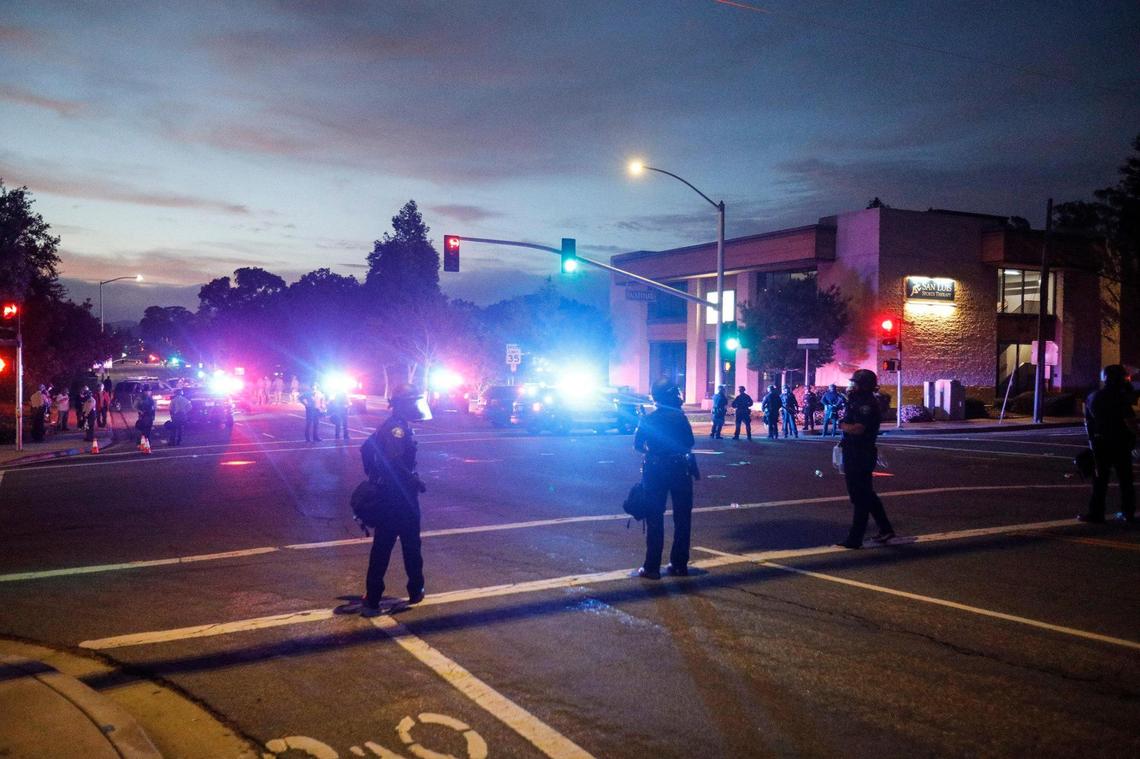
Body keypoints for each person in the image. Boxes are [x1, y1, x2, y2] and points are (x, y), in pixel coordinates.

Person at [343, 384, 430, 616]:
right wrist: (412, 481)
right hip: (398, 497)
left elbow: (366, 450)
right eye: (412, 402)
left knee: (391, 546)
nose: (416, 407)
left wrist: (375, 475)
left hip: (393, 495)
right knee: (399, 546)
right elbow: (395, 462)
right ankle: (403, 591)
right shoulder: (395, 430)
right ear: (402, 405)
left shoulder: (395, 426)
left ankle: (380, 595)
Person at [633, 379, 696, 579]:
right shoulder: (680, 417)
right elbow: (689, 442)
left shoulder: (649, 419)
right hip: (680, 469)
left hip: (655, 469)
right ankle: (679, 564)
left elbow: (638, 445)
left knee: (654, 517)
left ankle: (651, 567)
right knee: (683, 518)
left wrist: (653, 450)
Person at [836, 369, 895, 549]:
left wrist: (843, 425)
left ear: (864, 385)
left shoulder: (866, 404)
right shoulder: (857, 401)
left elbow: (859, 428)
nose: (852, 386)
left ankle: (855, 538)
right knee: (866, 494)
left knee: (860, 496)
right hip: (854, 450)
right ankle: (885, 529)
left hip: (860, 452)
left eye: (856, 383)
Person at [1079, 364, 1137, 523]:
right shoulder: (1120, 398)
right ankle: (1128, 512)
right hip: (1120, 442)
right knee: (1125, 479)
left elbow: (1088, 423)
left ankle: (1096, 513)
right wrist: (1137, 437)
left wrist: (1092, 443)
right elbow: (1130, 421)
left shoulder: (1094, 397)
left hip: (1100, 442)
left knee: (1100, 480)